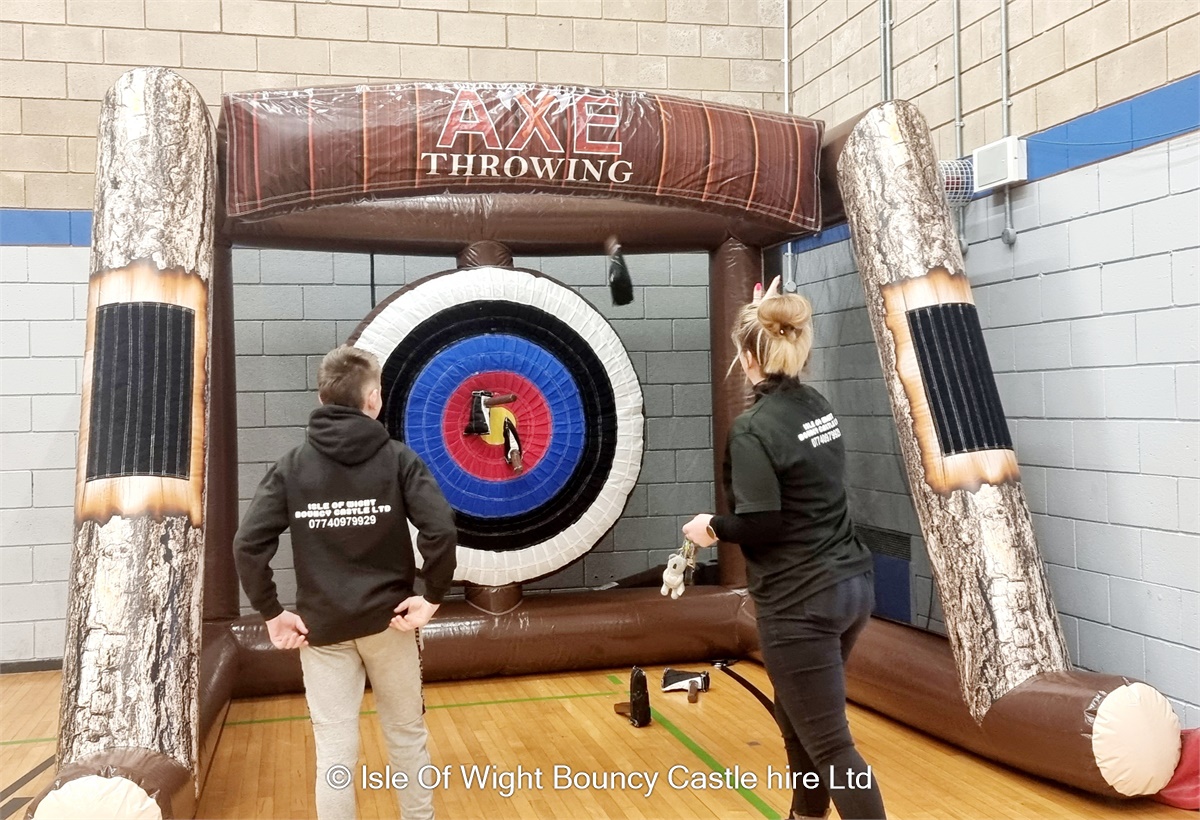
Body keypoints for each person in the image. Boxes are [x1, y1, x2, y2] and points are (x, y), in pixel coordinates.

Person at [682, 280, 886, 820]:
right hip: (851, 586)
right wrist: (763, 310)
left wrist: (711, 528)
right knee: (798, 720)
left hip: (802, 602)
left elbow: (762, 523)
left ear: (748, 357)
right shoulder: (816, 405)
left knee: (832, 745)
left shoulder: (753, 429)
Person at [234, 345, 457, 820]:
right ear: (373, 399)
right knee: (406, 736)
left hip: (324, 631)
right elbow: (440, 530)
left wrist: (271, 612)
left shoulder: (292, 466)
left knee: (334, 753)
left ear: (321, 397)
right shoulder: (398, 459)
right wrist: (432, 597)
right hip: (390, 625)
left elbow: (247, 545)